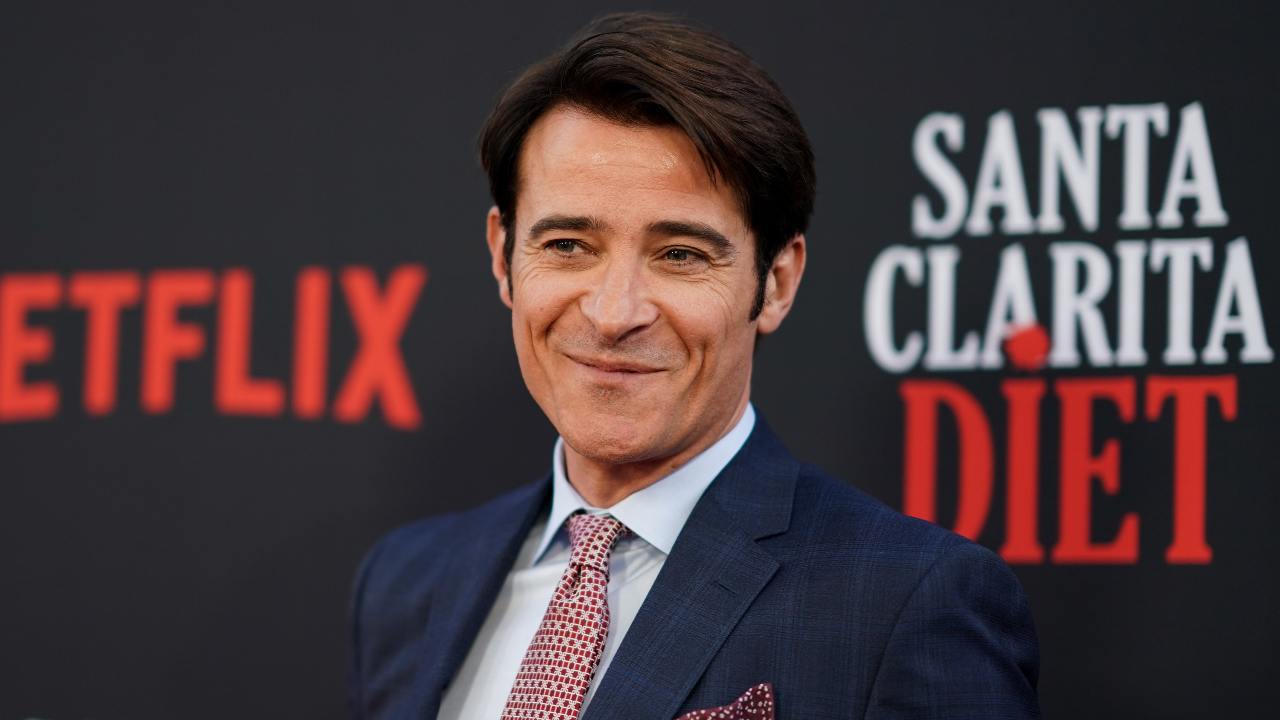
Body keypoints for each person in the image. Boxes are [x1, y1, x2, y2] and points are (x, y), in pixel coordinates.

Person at [347, 13, 1040, 720]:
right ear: (504, 255)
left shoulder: (908, 602)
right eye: (567, 245)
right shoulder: (406, 583)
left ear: (776, 282)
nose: (613, 314)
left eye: (680, 254)